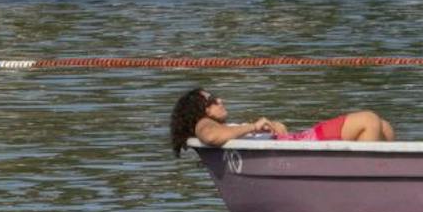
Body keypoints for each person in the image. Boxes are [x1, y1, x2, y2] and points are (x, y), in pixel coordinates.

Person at [169, 86, 395, 152]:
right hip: (308, 142)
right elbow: (211, 136)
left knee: (384, 127)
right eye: (213, 100)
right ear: (203, 110)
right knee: (369, 119)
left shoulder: (226, 127)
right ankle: (365, 179)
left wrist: (272, 127)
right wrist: (252, 126)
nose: (220, 100)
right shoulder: (204, 125)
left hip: (302, 141)